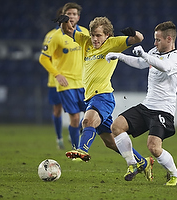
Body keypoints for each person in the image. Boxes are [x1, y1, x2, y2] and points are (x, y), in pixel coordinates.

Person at [58, 15, 154, 181]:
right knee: (111, 142)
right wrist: (64, 21)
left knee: (87, 122)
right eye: (93, 35)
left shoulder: (113, 43)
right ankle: (143, 162)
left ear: (107, 35)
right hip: (90, 97)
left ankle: (82, 150)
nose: (95, 38)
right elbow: (67, 30)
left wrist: (134, 33)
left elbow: (138, 38)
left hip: (103, 96)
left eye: (99, 35)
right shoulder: (86, 41)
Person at [106, 21, 177, 185]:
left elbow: (164, 67)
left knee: (154, 147)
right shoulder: (154, 51)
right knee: (117, 126)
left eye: (158, 40)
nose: (155, 43)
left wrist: (145, 55)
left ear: (169, 39)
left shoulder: (176, 58)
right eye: (154, 40)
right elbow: (141, 63)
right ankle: (133, 164)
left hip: (163, 111)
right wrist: (119, 56)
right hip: (147, 106)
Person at [39, 2, 89, 150]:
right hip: (62, 82)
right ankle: (63, 141)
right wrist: (57, 74)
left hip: (83, 82)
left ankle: (73, 134)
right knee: (65, 112)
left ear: (78, 17)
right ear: (63, 15)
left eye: (74, 14)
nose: (71, 17)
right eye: (69, 14)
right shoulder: (54, 36)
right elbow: (43, 58)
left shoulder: (85, 32)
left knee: (88, 116)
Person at [40, 7, 64, 149]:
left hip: (78, 80)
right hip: (56, 81)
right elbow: (44, 58)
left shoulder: (80, 34)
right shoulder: (51, 35)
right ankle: (59, 138)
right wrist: (56, 74)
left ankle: (76, 135)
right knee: (57, 109)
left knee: (81, 110)